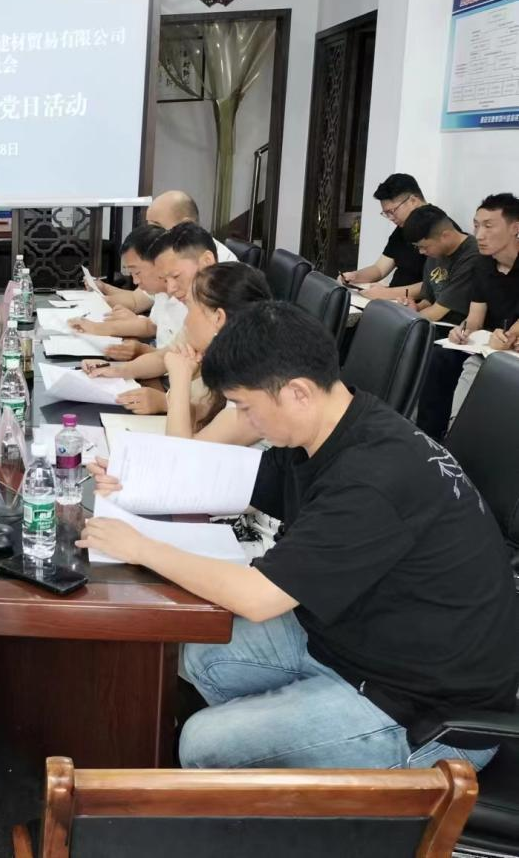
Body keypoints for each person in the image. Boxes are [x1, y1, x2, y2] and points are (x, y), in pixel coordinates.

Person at [80, 302, 519, 771]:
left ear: (298, 393)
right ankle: (281, 758)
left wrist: (140, 547)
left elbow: (257, 597)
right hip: (355, 639)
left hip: (425, 710)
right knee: (200, 654)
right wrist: (135, 478)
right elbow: (246, 478)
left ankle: (288, 779)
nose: (245, 421)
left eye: (246, 407)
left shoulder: (372, 480)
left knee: (203, 743)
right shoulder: (340, 425)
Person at [82, 223, 220, 415]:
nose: (170, 288)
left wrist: (165, 402)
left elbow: (228, 409)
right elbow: (164, 356)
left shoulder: (236, 313)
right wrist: (115, 370)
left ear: (207, 261)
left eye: (175, 276)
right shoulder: (197, 311)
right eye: (166, 279)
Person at [163, 262, 272, 442]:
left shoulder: (254, 392)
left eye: (189, 308)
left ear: (218, 318)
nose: (186, 321)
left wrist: (180, 378)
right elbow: (197, 422)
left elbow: (179, 453)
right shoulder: (238, 364)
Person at [445, 193, 519, 428]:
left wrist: (508, 337)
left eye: (488, 226)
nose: (479, 235)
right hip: (492, 345)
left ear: (515, 228)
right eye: (476, 226)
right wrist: (462, 331)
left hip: (507, 347)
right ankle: (444, 434)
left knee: (481, 366)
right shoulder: (482, 264)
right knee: (444, 357)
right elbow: (475, 318)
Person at [67, 225, 183, 358]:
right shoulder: (161, 292)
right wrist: (96, 328)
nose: (135, 281)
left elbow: (181, 359)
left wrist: (142, 351)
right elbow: (151, 325)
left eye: (137, 272)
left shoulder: (187, 299)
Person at [342, 173, 427, 299]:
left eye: (392, 211)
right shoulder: (403, 227)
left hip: (415, 306)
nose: (391, 218)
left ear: (413, 201)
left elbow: (433, 287)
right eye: (386, 214)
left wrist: (387, 293)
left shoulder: (439, 229)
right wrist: (355, 276)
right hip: (394, 302)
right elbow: (380, 269)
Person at [398, 204, 480, 324]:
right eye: (418, 247)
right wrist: (415, 307)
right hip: (433, 323)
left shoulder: (472, 255)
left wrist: (405, 320)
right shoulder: (435, 253)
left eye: (424, 247)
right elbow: (429, 300)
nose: (421, 252)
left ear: (445, 236)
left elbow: (437, 312)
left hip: (454, 328)